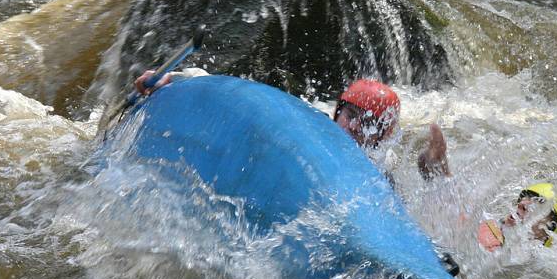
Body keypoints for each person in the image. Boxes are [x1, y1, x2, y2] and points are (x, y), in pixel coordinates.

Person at [135, 72, 450, 181]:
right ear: (337, 110)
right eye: (350, 114)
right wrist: (176, 81)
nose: (354, 126)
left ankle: (434, 168)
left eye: (369, 122)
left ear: (384, 135)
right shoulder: (309, 124)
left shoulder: (382, 167)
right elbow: (247, 98)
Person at [476, 182, 557, 251]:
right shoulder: (493, 235)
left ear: (553, 229)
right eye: (518, 207)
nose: (513, 216)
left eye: (526, 210)